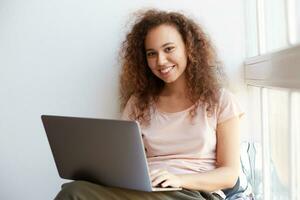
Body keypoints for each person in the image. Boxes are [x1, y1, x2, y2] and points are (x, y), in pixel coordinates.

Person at [54, 9, 244, 200]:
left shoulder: (220, 100)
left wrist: (179, 179)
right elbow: (123, 161)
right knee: (73, 191)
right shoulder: (138, 103)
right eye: (151, 54)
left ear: (189, 48)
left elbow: (229, 174)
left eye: (169, 49)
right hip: (146, 191)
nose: (160, 61)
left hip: (193, 193)